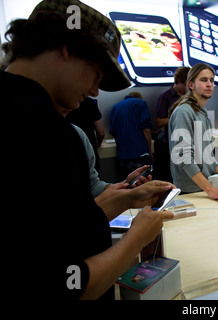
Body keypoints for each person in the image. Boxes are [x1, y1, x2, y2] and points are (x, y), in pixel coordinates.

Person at [1, 0, 174, 300]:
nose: (95, 91)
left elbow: (64, 229)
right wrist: (136, 239)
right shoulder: (44, 129)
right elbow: (69, 284)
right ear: (66, 47)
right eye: (96, 73)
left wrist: (129, 198)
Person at [168, 63, 218, 201]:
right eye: (204, 80)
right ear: (191, 85)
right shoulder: (184, 111)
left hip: (205, 188)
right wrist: (210, 189)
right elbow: (184, 157)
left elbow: (207, 155)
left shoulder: (201, 112)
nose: (209, 84)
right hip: (192, 192)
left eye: (211, 80)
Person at [154, 66, 190, 182]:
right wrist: (178, 117)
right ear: (178, 81)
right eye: (186, 84)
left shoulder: (190, 98)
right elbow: (159, 122)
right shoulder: (165, 97)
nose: (189, 88)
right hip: (169, 145)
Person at [110, 91, 154, 180]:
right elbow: (146, 129)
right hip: (139, 154)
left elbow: (112, 131)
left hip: (122, 156)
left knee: (126, 187)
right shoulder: (141, 103)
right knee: (142, 187)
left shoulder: (115, 107)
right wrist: (150, 151)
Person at [66, 97, 105, 171]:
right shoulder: (89, 102)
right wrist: (98, 143)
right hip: (89, 152)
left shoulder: (60, 102)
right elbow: (101, 133)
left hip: (71, 152)